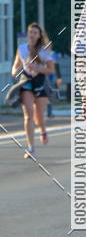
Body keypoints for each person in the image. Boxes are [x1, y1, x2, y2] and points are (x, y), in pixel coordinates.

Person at [11, 22, 55, 160]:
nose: (32, 35)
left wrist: (36, 68)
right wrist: (16, 71)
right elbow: (15, 68)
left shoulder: (44, 50)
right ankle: (31, 148)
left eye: (35, 33)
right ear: (28, 34)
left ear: (39, 35)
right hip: (26, 84)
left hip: (40, 83)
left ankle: (42, 130)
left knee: (38, 117)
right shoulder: (22, 49)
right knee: (28, 114)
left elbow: (51, 70)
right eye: (30, 32)